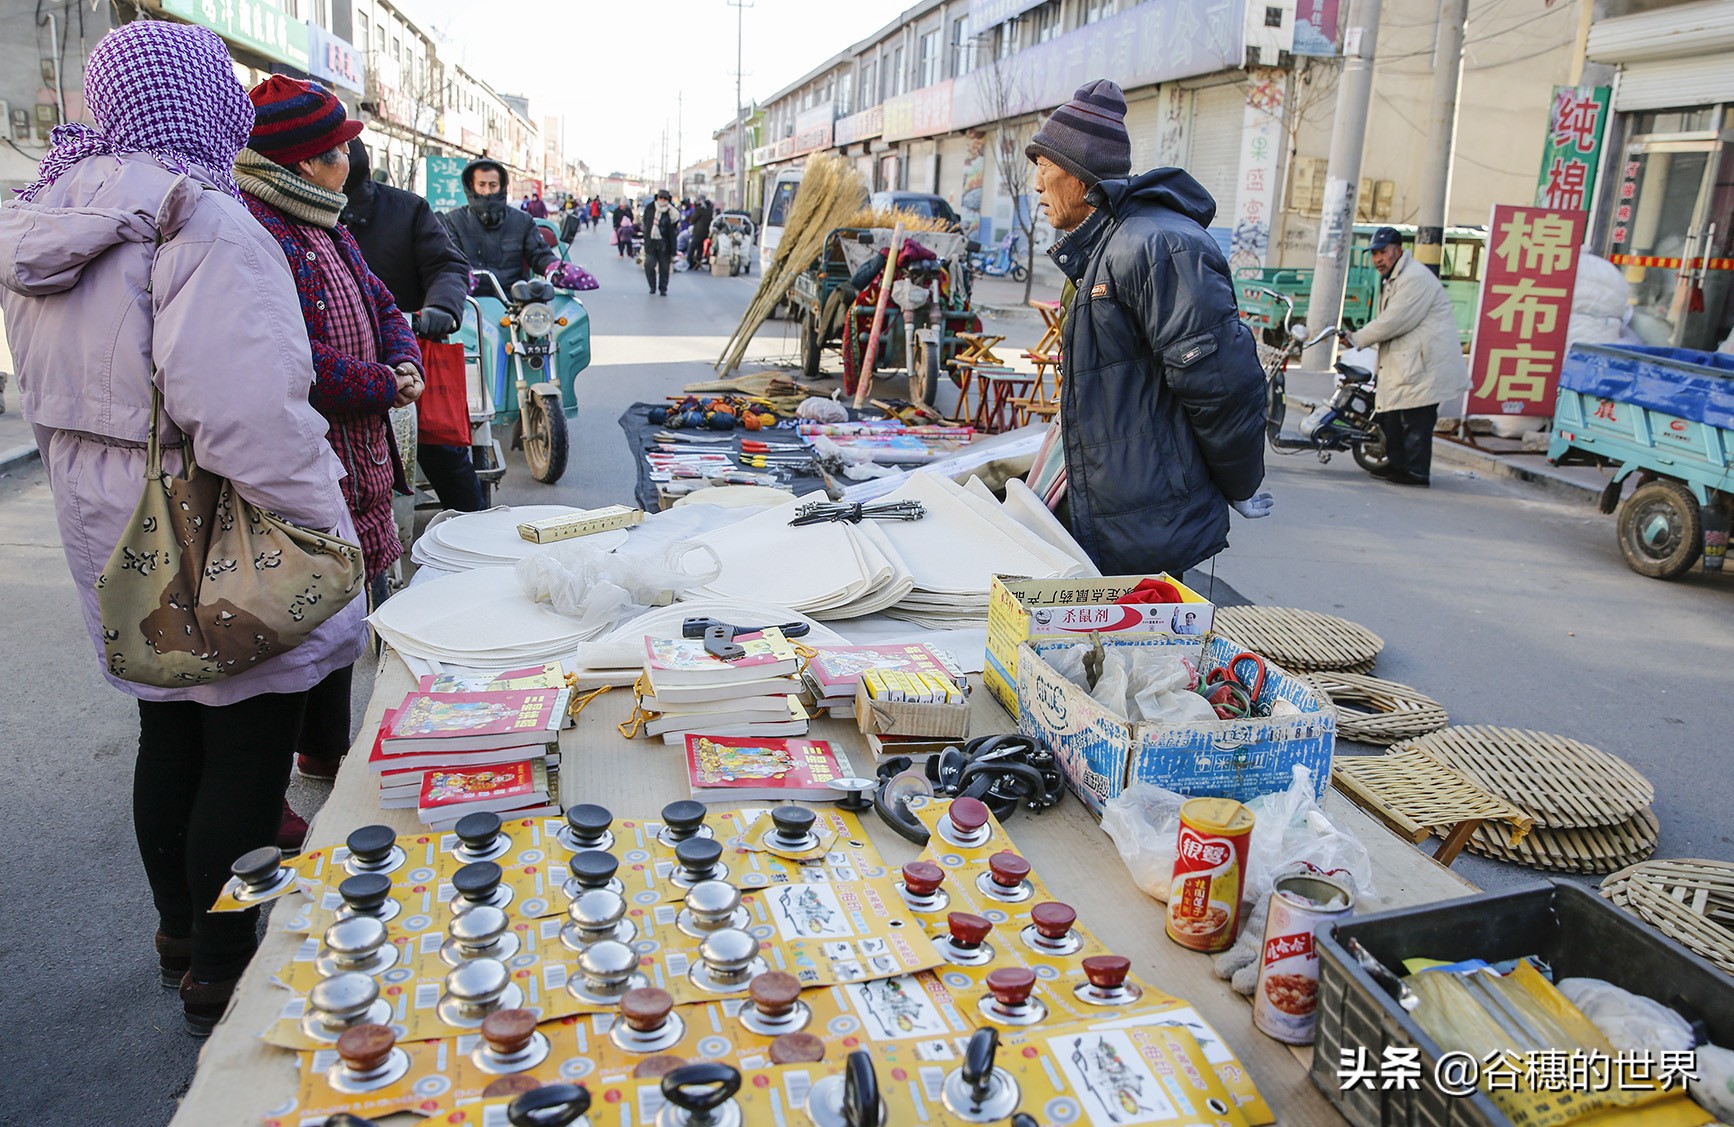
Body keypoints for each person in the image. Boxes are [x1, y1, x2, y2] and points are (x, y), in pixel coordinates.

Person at [0, 21, 366, 1035]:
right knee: (246, 758)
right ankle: (223, 960)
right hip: (213, 517)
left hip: (107, 524)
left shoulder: (46, 208)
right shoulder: (199, 220)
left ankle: (175, 931)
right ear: (204, 101)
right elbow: (250, 416)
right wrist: (323, 530)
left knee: (168, 730)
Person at [236, 77, 424, 814]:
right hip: (306, 458)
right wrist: (383, 381)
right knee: (301, 622)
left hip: (358, 451)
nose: (352, 158)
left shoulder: (323, 220)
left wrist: (402, 355)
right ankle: (267, 781)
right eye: (341, 148)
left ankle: (323, 744)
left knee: (342, 615)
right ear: (308, 162)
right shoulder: (257, 230)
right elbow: (296, 361)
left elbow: (379, 299)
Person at [1022, 79, 1271, 577]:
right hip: (1119, 510)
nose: (1036, 186)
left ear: (1079, 176)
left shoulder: (1154, 247)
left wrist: (1240, 482)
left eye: (1044, 168)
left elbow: (1222, 388)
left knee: (1137, 650)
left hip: (1143, 523)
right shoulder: (1109, 246)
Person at [341, 139, 484, 513]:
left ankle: (481, 540)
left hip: (406, 355)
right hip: (327, 369)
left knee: (443, 452)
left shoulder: (407, 209)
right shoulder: (288, 217)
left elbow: (447, 265)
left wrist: (440, 307)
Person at [1346, 227, 1470, 487]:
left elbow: (1394, 320)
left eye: (1383, 252)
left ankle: (1416, 473)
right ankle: (1398, 464)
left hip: (1426, 366)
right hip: (1408, 363)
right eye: (1375, 254)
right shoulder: (1395, 277)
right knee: (1391, 416)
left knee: (1416, 422)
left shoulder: (1415, 278)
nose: (1378, 259)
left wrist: (1358, 338)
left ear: (1398, 250)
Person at [440, 158, 559, 292]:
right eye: (481, 184)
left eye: (493, 185)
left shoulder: (522, 221)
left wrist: (554, 267)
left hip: (514, 300)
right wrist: (459, 276)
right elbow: (449, 259)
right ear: (471, 185)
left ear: (502, 186)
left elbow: (540, 254)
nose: (487, 191)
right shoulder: (454, 221)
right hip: (469, 302)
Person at [642, 189, 680, 295]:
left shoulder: (671, 211)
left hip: (665, 244)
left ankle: (663, 288)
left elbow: (675, 224)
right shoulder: (650, 208)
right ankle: (652, 286)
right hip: (651, 242)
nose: (662, 200)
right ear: (657, 198)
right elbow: (646, 223)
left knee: (664, 268)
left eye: (665, 198)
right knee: (649, 264)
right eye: (660, 198)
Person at [687, 194, 714, 270]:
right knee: (700, 248)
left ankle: (689, 263)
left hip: (698, 231)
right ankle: (697, 263)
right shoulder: (710, 208)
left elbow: (692, 219)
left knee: (692, 247)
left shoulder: (699, 209)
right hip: (706, 232)